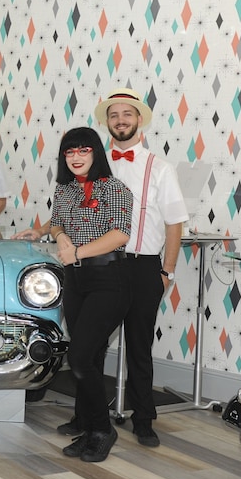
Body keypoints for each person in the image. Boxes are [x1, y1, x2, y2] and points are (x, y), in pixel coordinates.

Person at [14, 127, 133, 463]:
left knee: (79, 358)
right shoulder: (65, 189)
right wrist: (53, 234)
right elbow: (56, 222)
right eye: (70, 152)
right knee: (90, 357)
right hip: (76, 280)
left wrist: (77, 252)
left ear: (96, 153)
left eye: (83, 150)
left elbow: (120, 235)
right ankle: (89, 426)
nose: (76, 157)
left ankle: (103, 430)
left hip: (110, 278)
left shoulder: (116, 189)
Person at [92, 87, 188, 447]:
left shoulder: (159, 169)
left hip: (143, 267)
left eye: (126, 115)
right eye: (114, 115)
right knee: (92, 345)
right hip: (102, 265)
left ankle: (144, 418)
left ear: (139, 122)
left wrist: (167, 271)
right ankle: (88, 416)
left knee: (139, 345)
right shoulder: (96, 166)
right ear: (106, 122)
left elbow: (174, 223)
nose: (120, 121)